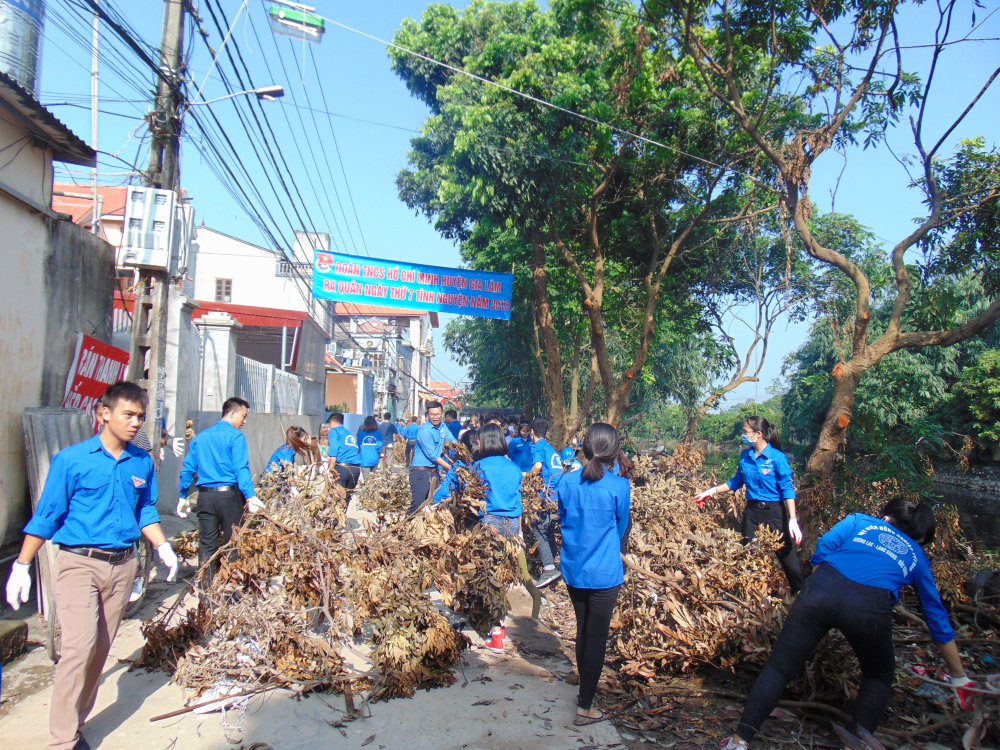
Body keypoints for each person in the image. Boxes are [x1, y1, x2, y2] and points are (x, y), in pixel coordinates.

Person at [5, 381, 179, 750]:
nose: (136, 422)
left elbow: (144, 509)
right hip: (79, 564)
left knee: (99, 649)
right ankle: (62, 740)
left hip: (123, 566)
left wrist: (162, 545)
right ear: (103, 413)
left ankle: (77, 723)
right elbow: (47, 515)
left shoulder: (141, 461)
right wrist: (21, 564)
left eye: (141, 416)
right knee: (79, 648)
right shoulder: (72, 460)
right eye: (128, 414)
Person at [721, 498, 974, 750]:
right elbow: (936, 617)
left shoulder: (859, 521)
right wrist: (959, 677)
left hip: (822, 588)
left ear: (886, 518)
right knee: (878, 676)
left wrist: (821, 589)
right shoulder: (917, 556)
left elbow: (825, 544)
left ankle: (738, 742)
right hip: (869, 608)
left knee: (779, 667)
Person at [555, 423, 632, 726]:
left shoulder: (565, 482)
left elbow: (563, 519)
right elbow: (621, 527)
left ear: (585, 447)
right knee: (596, 635)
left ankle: (583, 692)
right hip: (604, 571)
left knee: (582, 627)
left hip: (574, 568)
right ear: (614, 451)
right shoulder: (619, 487)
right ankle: (585, 706)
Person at [691, 415, 805, 593]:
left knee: (788, 559)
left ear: (758, 434)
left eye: (745, 432)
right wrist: (711, 491)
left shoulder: (777, 457)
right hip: (752, 512)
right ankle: (751, 596)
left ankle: (802, 595)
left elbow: (787, 489)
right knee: (747, 555)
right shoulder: (746, 456)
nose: (743, 435)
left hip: (775, 512)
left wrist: (792, 520)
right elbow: (736, 482)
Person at [178, 397, 261, 576]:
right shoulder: (236, 436)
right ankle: (228, 586)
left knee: (206, 544)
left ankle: (205, 588)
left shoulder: (200, 438)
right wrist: (251, 496)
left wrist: (182, 495)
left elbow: (188, 469)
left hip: (205, 498)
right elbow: (241, 468)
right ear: (232, 413)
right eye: (243, 416)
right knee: (232, 543)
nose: (244, 421)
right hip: (229, 497)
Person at [473, 423, 524, 654]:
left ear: (483, 442)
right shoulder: (513, 467)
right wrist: (519, 532)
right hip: (511, 524)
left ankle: (495, 633)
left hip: (489, 523)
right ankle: (500, 624)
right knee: (502, 574)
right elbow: (519, 502)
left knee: (490, 576)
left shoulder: (478, 467)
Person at [528, 419, 564, 587]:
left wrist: (527, 478)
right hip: (558, 496)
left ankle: (549, 569)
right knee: (548, 530)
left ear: (532, 432)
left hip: (547, 496)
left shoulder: (537, 447)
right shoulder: (550, 448)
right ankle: (552, 566)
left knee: (539, 531)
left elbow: (537, 466)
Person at [409, 401, 451, 515]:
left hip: (434, 472)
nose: (435, 417)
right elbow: (433, 456)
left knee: (434, 506)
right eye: (432, 414)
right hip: (420, 473)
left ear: (442, 414)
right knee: (417, 507)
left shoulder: (443, 427)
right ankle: (407, 524)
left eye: (438, 414)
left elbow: (452, 441)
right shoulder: (425, 431)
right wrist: (449, 467)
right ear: (428, 415)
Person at [434, 429, 480, 503]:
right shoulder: (485, 464)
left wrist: (435, 498)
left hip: (464, 505)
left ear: (463, 445)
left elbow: (445, 491)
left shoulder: (459, 466)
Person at [326, 412, 362, 489]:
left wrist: (331, 468)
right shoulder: (348, 433)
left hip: (342, 469)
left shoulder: (334, 431)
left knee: (337, 495)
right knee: (347, 495)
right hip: (355, 470)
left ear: (332, 422)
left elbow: (334, 449)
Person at [357, 415, 384, 480]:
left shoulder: (360, 433)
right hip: (374, 459)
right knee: (372, 480)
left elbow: (358, 445)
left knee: (366, 480)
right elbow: (379, 446)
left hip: (364, 460)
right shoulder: (378, 433)